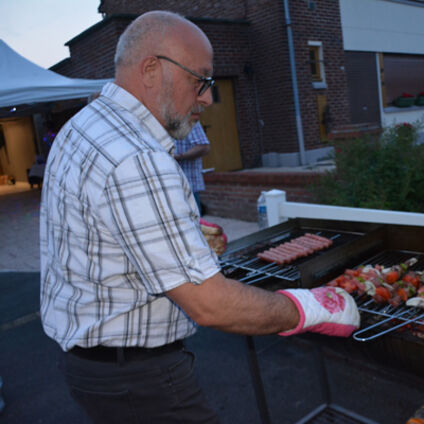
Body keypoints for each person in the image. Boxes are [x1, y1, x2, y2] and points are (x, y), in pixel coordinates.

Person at [39, 10, 359, 423]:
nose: (208, 97)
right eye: (201, 80)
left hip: (92, 367)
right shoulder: (137, 158)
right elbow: (210, 305)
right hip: (138, 380)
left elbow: (90, 229)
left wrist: (177, 233)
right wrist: (312, 307)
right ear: (152, 69)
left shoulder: (84, 125)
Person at [174, 121, 210, 215]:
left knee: (195, 225)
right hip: (173, 188)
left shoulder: (188, 120)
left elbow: (203, 147)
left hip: (189, 187)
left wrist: (178, 157)